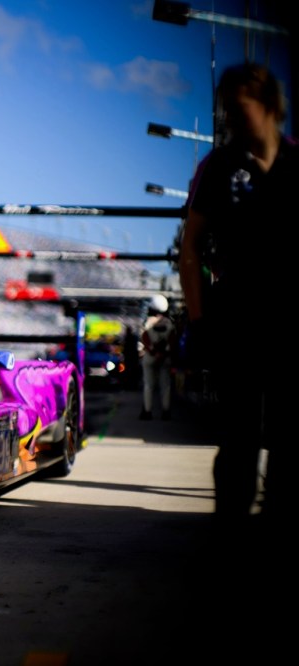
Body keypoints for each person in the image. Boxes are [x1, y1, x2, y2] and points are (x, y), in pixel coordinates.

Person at [178, 62, 296, 526]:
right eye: (225, 111)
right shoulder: (220, 166)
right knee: (240, 438)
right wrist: (199, 319)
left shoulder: (295, 165)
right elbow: (190, 247)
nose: (231, 119)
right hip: (238, 321)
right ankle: (229, 529)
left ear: (268, 106)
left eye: (239, 108)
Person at [138, 294, 176, 421]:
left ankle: (147, 411)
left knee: (148, 385)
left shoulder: (148, 322)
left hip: (150, 356)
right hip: (165, 357)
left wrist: (152, 350)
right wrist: (164, 352)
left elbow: (144, 338)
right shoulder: (169, 322)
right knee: (165, 385)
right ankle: (166, 411)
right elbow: (172, 340)